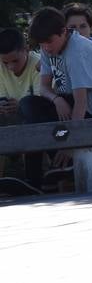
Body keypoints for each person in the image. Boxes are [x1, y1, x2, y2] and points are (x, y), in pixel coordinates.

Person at [22, 6, 92, 126]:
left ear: (63, 31)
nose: (46, 47)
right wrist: (57, 100)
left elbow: (81, 101)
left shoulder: (78, 51)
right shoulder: (47, 47)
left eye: (49, 42)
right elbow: (44, 87)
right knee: (27, 104)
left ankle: (64, 139)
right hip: (68, 98)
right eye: (42, 44)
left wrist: (73, 132)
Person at [0, 28, 44, 194]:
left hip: (33, 121)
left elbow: (42, 101)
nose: (10, 67)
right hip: (7, 119)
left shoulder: (38, 64)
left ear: (26, 50)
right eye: (5, 63)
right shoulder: (0, 67)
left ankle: (33, 180)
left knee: (29, 110)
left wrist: (20, 106)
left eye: (15, 61)